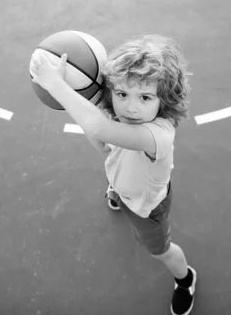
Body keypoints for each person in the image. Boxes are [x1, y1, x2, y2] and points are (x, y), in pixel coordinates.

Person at [30, 34, 196, 315]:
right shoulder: (124, 115)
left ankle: (186, 279)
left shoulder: (158, 135)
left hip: (146, 207)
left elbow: (98, 129)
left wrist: (55, 84)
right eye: (122, 94)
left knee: (161, 251)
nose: (130, 107)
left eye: (145, 97)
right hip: (121, 178)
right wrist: (80, 95)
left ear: (164, 98)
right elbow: (101, 143)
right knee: (116, 177)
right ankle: (115, 193)